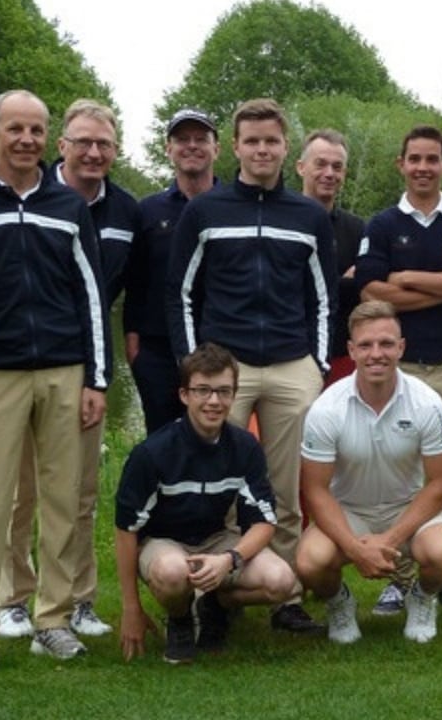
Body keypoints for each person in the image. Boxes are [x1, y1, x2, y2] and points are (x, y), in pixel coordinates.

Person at [0, 89, 109, 669]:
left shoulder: (69, 207)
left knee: (64, 501)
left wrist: (98, 379)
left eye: (36, 130)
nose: (26, 140)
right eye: (15, 128)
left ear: (48, 139)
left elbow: (91, 296)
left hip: (65, 372)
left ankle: (54, 618)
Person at [166, 97, 335, 635]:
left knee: (284, 487)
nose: (263, 150)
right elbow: (181, 292)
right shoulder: (206, 211)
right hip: (224, 367)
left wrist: (320, 362)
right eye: (253, 141)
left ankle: (284, 594)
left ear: (287, 149)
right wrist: (196, 370)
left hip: (291, 365)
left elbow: (324, 299)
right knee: (214, 484)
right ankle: (208, 596)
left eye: (272, 141)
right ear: (235, 147)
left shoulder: (308, 215)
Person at [0, 99, 139, 641]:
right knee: (18, 489)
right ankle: (12, 597)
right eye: (83, 142)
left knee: (77, 492)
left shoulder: (127, 211)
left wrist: (124, 347)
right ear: (63, 146)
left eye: (104, 144)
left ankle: (78, 598)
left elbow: (132, 287)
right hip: (15, 360)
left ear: (115, 150)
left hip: (85, 361)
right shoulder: (31, 197)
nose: (94, 152)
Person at [355, 125, 442, 614]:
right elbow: (370, 290)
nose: (423, 167)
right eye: (414, 159)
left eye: (432, 159)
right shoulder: (383, 224)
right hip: (400, 367)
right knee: (396, 475)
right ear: (401, 164)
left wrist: (406, 277)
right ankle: (400, 576)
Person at [114, 343, 300, 664]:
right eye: (203, 391)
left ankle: (214, 604)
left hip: (216, 540)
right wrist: (131, 607)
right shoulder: (152, 453)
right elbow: (125, 530)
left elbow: (264, 522)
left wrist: (229, 559)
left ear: (233, 395)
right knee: (173, 573)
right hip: (164, 545)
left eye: (223, 392)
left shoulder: (245, 446)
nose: (214, 401)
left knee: (281, 581)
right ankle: (180, 616)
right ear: (184, 395)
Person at [296, 301, 442, 643]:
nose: (377, 354)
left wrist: (387, 541)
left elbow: (440, 484)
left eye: (387, 344)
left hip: (409, 509)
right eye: (366, 345)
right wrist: (356, 548)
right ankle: (339, 602)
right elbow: (315, 490)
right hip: (349, 511)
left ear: (401, 347)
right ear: (351, 350)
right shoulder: (326, 408)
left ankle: (422, 596)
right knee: (310, 562)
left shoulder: (428, 403)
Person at [125, 108, 220, 434]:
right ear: (168, 148)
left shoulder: (232, 207)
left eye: (200, 139)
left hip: (221, 343)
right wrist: (134, 344)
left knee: (218, 442)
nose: (191, 146)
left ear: (217, 149)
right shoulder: (148, 210)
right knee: (164, 442)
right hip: (158, 350)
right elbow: (136, 280)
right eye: (182, 139)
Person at [296, 128, 365, 383]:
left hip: (343, 356)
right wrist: (343, 283)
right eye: (321, 164)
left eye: (337, 167)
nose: (329, 174)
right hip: (292, 357)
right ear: (301, 167)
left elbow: (366, 289)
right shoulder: (283, 223)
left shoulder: (358, 229)